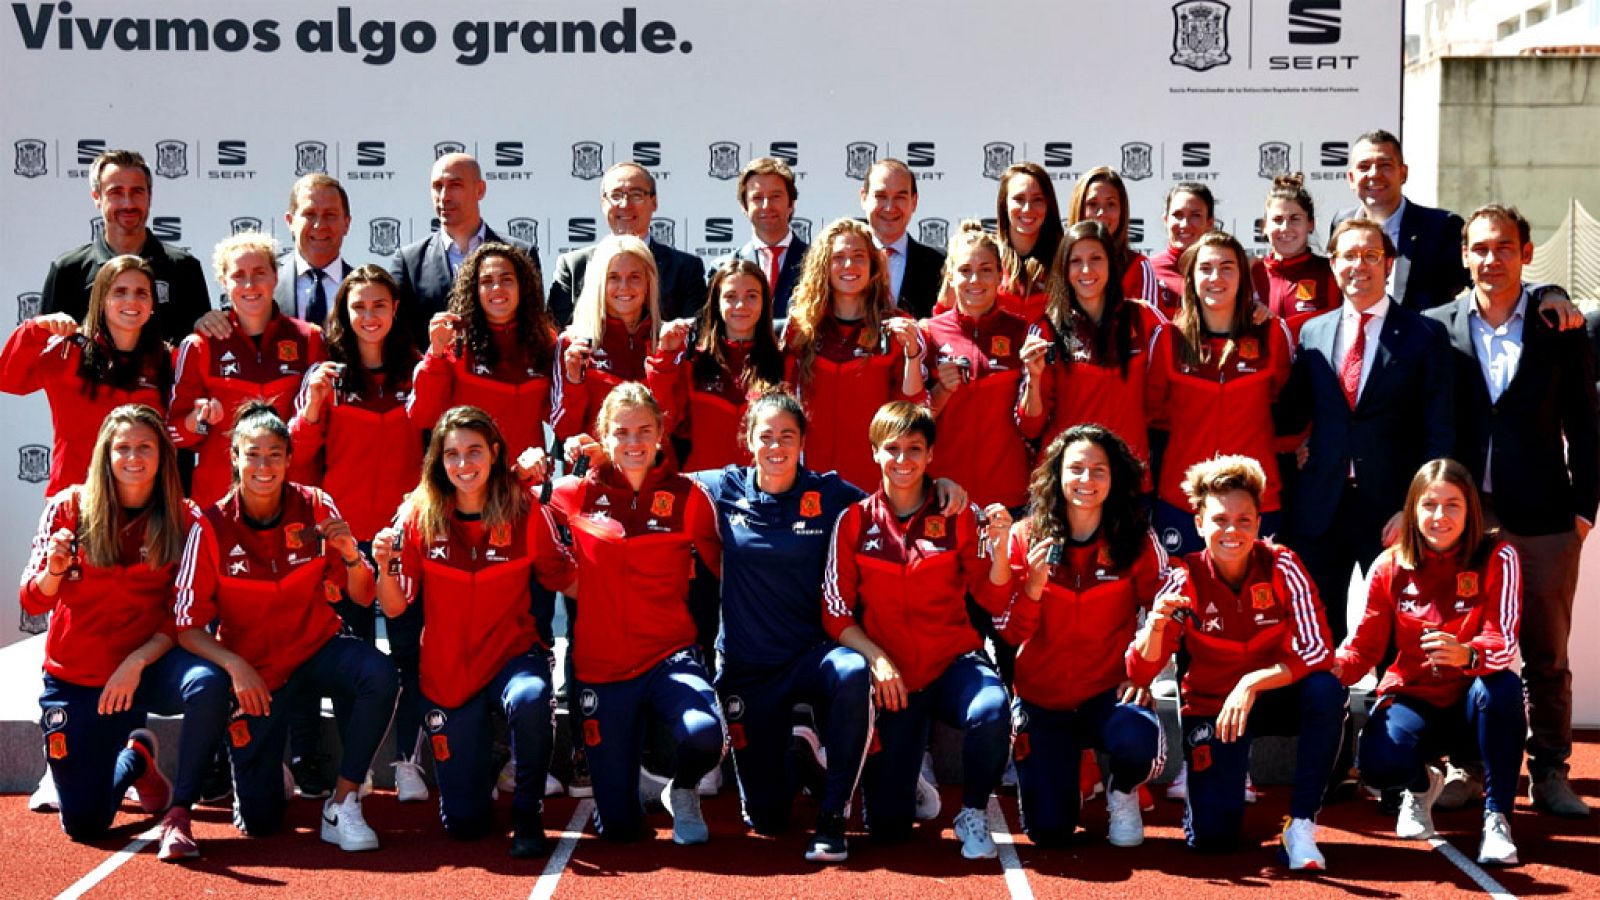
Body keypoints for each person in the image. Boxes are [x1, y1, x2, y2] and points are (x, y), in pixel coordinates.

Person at [1424, 205, 1598, 818]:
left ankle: (1549, 771)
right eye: (1479, 248)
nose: (1490, 259)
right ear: (1463, 255)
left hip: (1547, 516)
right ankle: (1466, 768)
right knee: (1462, 648)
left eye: (1503, 247)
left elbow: (1587, 424)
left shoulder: (1560, 326)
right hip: (1466, 519)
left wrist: (1583, 511)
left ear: (1526, 254)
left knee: (1545, 655)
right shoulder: (1436, 327)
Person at [173, 402, 398, 850]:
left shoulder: (315, 505)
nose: (264, 466)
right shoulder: (210, 526)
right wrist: (235, 666)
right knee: (259, 822)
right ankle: (264, 771)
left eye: (274, 454)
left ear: (289, 458)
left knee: (380, 672)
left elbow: (362, 596)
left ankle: (343, 801)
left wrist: (351, 556)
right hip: (256, 672)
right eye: (253, 454)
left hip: (315, 647)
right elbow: (186, 627)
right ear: (234, 457)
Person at [23, 404, 229, 860]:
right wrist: (53, 572)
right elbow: (32, 600)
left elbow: (182, 615)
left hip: (149, 666)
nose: (133, 457)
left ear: (162, 455)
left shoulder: (186, 519)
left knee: (208, 682)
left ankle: (179, 813)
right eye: (123, 448)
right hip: (79, 676)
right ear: (106, 454)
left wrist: (136, 661)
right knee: (85, 824)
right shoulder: (68, 508)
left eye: (145, 447)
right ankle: (138, 758)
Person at [373, 406, 577, 857]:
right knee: (465, 825)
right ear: (438, 460)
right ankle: (485, 757)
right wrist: (384, 565)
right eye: (452, 454)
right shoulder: (418, 515)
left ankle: (527, 811)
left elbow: (567, 577)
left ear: (495, 453)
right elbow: (396, 604)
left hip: (511, 655)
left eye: (474, 451)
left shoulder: (525, 509)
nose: (463, 464)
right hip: (449, 672)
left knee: (531, 698)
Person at [1129, 455, 1344, 870]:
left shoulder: (1282, 564)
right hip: (1213, 706)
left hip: (1274, 695)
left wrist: (1252, 683)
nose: (1232, 531)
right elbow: (1140, 672)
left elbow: (1319, 649)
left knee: (1326, 690)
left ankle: (1301, 824)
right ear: (1198, 524)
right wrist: (1154, 627)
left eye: (1244, 520)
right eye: (1220, 520)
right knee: (1212, 839)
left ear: (1259, 523)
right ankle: (1212, 788)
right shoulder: (1182, 579)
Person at [688, 389, 872, 862]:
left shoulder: (829, 493)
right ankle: (800, 747)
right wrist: (597, 459)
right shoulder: (722, 487)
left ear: (802, 442)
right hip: (749, 669)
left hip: (812, 656)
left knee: (853, 670)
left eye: (787, 436)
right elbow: (651, 476)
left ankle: (832, 816)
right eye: (766, 436)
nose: (776, 446)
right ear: (749, 440)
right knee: (768, 819)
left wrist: (942, 488)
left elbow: (889, 506)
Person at [822, 402, 1013, 859]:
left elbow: (992, 598)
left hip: (951, 662)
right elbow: (835, 613)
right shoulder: (854, 520)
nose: (903, 459)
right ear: (874, 452)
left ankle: (972, 812)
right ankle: (909, 780)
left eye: (914, 449)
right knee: (887, 829)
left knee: (992, 707)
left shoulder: (957, 513)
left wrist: (1002, 548)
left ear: (930, 455)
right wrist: (877, 658)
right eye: (892, 448)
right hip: (894, 680)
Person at [549, 383, 725, 844]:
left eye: (644, 430)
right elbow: (517, 515)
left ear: (661, 432)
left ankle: (681, 789)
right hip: (602, 668)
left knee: (705, 734)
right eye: (622, 432)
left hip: (669, 655)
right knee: (620, 829)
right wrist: (576, 582)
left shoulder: (689, 497)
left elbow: (725, 568)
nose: (634, 442)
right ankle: (631, 788)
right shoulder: (574, 493)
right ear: (603, 436)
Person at [1336, 459, 1525, 865]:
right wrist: (1328, 669)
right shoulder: (1389, 564)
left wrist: (1467, 654)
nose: (1440, 516)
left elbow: (1503, 640)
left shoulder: (1498, 556)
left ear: (1470, 509)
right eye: (1429, 505)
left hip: (1473, 702)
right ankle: (1421, 786)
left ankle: (1497, 819)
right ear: (1413, 509)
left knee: (1504, 689)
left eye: (1452, 505)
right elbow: (1364, 647)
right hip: (1415, 696)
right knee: (1376, 763)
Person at [1275, 218, 1454, 644]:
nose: (1360, 265)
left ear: (1389, 264)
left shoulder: (1425, 335)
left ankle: (1392, 690)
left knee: (1398, 633)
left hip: (1393, 511)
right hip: (1322, 507)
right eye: (1349, 256)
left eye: (1371, 255)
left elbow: (1441, 429)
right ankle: (1326, 690)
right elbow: (1291, 414)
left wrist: (1416, 508)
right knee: (1316, 632)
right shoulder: (1313, 332)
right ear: (1333, 264)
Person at [288, 265, 426, 803]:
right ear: (343, 314)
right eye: (358, 307)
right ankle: (357, 764)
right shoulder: (326, 375)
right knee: (355, 656)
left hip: (403, 537)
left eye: (379, 305)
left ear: (395, 310)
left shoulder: (417, 370)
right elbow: (298, 457)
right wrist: (313, 406)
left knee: (410, 652)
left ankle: (409, 760)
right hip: (343, 541)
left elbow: (439, 445)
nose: (369, 316)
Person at [994, 425, 1167, 848]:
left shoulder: (1136, 539)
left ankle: (1122, 791)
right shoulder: (1025, 536)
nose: (1086, 480)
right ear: (1056, 475)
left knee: (1136, 735)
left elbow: (1168, 608)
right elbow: (1010, 632)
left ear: (1114, 478)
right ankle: (1066, 773)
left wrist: (1143, 674)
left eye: (1098, 470)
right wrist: (1033, 586)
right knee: (1048, 833)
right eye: (1075, 469)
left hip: (1107, 691)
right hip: (1043, 697)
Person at [1144, 231, 1292, 556]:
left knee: (1257, 589)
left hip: (1255, 502)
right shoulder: (1168, 338)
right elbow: (1151, 414)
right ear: (1191, 278)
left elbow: (1291, 411)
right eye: (1205, 268)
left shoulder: (1271, 334)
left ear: (1242, 278)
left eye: (1227, 268)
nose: (1216, 277)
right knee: (1182, 587)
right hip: (1183, 502)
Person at [168, 232, 326, 507]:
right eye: (238, 275)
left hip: (292, 501)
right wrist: (198, 419)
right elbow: (174, 433)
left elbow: (323, 430)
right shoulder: (200, 345)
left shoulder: (309, 338)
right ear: (224, 282)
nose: (250, 284)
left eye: (259, 273)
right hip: (222, 504)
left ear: (275, 276)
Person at [2, 255, 170, 497]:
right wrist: (35, 329)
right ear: (100, 299)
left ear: (152, 303)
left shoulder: (167, 360)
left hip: (144, 503)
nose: (131, 300)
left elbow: (187, 430)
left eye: (141, 293)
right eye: (120, 292)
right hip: (75, 500)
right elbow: (9, 380)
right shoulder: (68, 351)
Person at [782, 219, 925, 490]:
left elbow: (911, 409)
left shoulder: (896, 327)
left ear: (873, 265)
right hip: (808, 482)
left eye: (859, 256)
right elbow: (782, 406)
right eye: (838, 257)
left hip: (873, 482)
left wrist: (913, 356)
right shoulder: (800, 329)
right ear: (824, 265)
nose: (849, 265)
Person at [1018, 220, 1165, 475]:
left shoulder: (1144, 319)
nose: (1086, 269)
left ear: (1111, 263)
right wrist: (1034, 377)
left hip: (1128, 478)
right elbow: (1030, 427)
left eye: (1096, 258)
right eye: (1075, 261)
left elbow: (1159, 400)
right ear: (1064, 269)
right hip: (1069, 480)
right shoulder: (1046, 329)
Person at [411, 242, 559, 483]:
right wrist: (435, 355)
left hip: (526, 483)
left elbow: (561, 418)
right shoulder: (454, 340)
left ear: (522, 286)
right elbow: (423, 416)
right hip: (468, 484)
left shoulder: (544, 341)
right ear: (474, 289)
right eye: (487, 281)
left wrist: (574, 377)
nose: (497, 288)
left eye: (506, 279)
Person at [39, 149, 212, 344]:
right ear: (97, 197)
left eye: (137, 192)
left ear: (149, 196)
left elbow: (200, 347)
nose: (128, 204)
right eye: (116, 192)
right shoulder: (68, 270)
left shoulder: (184, 268)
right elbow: (43, 348)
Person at [919, 221, 1031, 511]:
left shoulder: (1022, 332)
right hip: (944, 493)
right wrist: (941, 390)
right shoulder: (929, 333)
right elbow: (912, 423)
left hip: (1008, 494)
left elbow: (1034, 422)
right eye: (965, 270)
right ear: (950, 276)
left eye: (985, 270)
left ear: (1000, 275)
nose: (975, 280)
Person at [653, 258, 786, 474]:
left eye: (751, 296)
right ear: (716, 302)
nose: (741, 305)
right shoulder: (693, 361)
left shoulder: (784, 361)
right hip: (705, 485)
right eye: (730, 296)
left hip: (765, 487)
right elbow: (664, 422)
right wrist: (665, 357)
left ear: (765, 302)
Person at [391, 153, 536, 345]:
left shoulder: (521, 254)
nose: (444, 197)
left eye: (455, 185)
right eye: (438, 186)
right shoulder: (409, 262)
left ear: (480, 190)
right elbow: (399, 337)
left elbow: (534, 325)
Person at [551, 234, 675, 450]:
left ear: (649, 282)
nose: (624, 286)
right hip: (595, 468)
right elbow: (565, 431)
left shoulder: (669, 342)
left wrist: (665, 363)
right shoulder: (574, 343)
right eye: (613, 277)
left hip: (655, 468)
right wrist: (573, 382)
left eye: (634, 277)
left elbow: (674, 425)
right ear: (599, 282)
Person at [548, 161, 707, 326]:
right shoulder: (573, 266)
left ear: (654, 202)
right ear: (603, 203)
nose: (625, 204)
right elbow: (556, 330)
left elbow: (695, 331)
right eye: (616, 196)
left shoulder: (685, 268)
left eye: (636, 195)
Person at [1329, 130, 1468, 312]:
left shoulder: (1442, 227)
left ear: (1403, 173)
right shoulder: (1341, 223)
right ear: (1351, 178)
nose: (1374, 174)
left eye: (1385, 165)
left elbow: (1476, 287)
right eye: (1364, 167)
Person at [1251, 174, 1339, 341]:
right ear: (1264, 227)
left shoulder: (1331, 273)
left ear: (1310, 224)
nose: (1285, 228)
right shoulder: (1250, 273)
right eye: (1277, 220)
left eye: (1295, 219)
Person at [859, 159, 945, 318]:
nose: (890, 208)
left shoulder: (940, 265)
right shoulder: (839, 263)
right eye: (881, 196)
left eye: (900, 197)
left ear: (914, 202)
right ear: (864, 198)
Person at [1067, 166, 1159, 306]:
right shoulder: (1058, 262)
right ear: (1078, 208)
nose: (1101, 213)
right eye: (1092, 204)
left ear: (1122, 211)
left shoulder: (1138, 267)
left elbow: (1148, 319)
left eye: (1111, 204)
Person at [729, 157, 808, 318]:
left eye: (775, 196)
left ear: (791, 203)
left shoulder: (818, 263)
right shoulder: (724, 268)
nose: (767, 206)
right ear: (744, 206)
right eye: (757, 198)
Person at [992, 162, 1065, 323]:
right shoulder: (987, 255)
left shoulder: (1065, 259)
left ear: (1048, 204)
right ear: (1004, 204)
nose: (1027, 209)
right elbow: (949, 318)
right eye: (1019, 199)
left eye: (1037, 199)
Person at [1148, 183, 1217, 320]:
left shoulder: (1222, 271)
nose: (1185, 224)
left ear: (1210, 223)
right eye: (1177, 215)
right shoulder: (1147, 271)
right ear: (1166, 220)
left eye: (1195, 215)